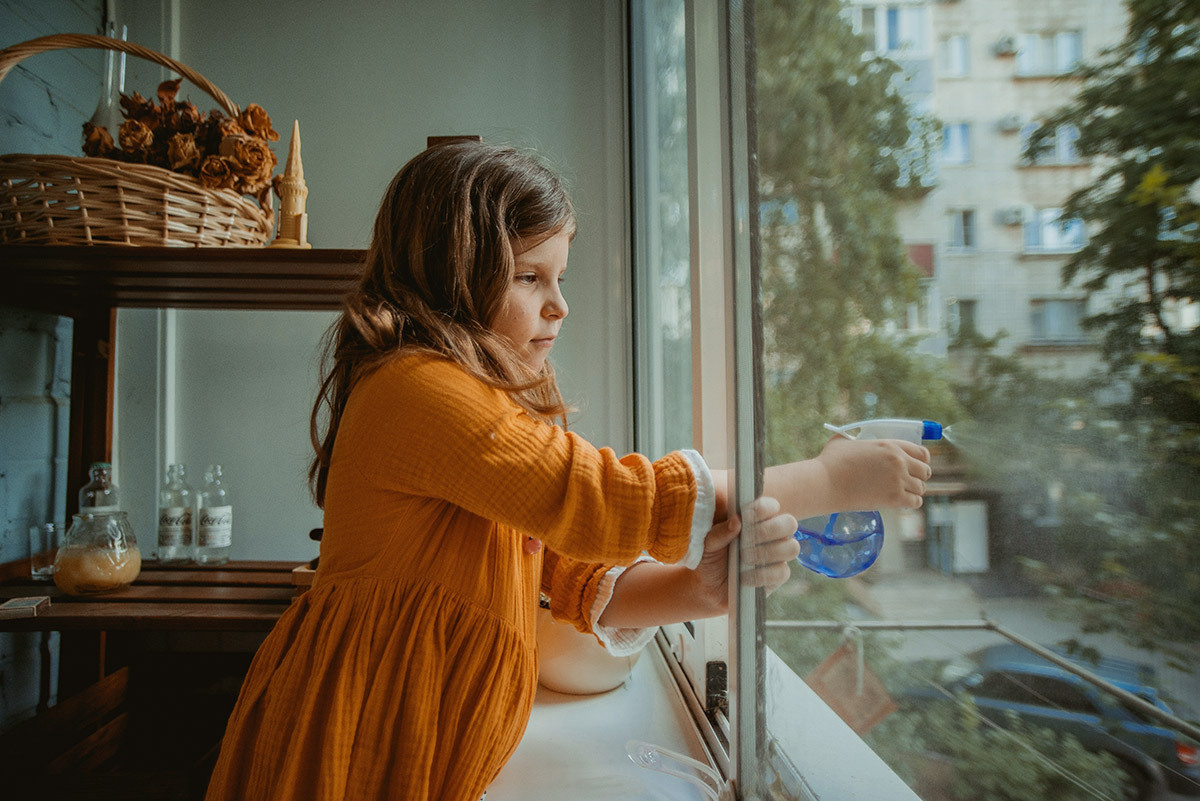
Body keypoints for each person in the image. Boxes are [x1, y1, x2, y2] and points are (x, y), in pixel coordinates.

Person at [203, 141, 932, 801]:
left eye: (560, 274)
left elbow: (569, 571)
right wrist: (833, 481)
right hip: (350, 746)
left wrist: (693, 588)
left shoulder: (471, 404)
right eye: (529, 276)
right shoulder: (416, 389)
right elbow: (607, 499)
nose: (560, 304)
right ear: (449, 274)